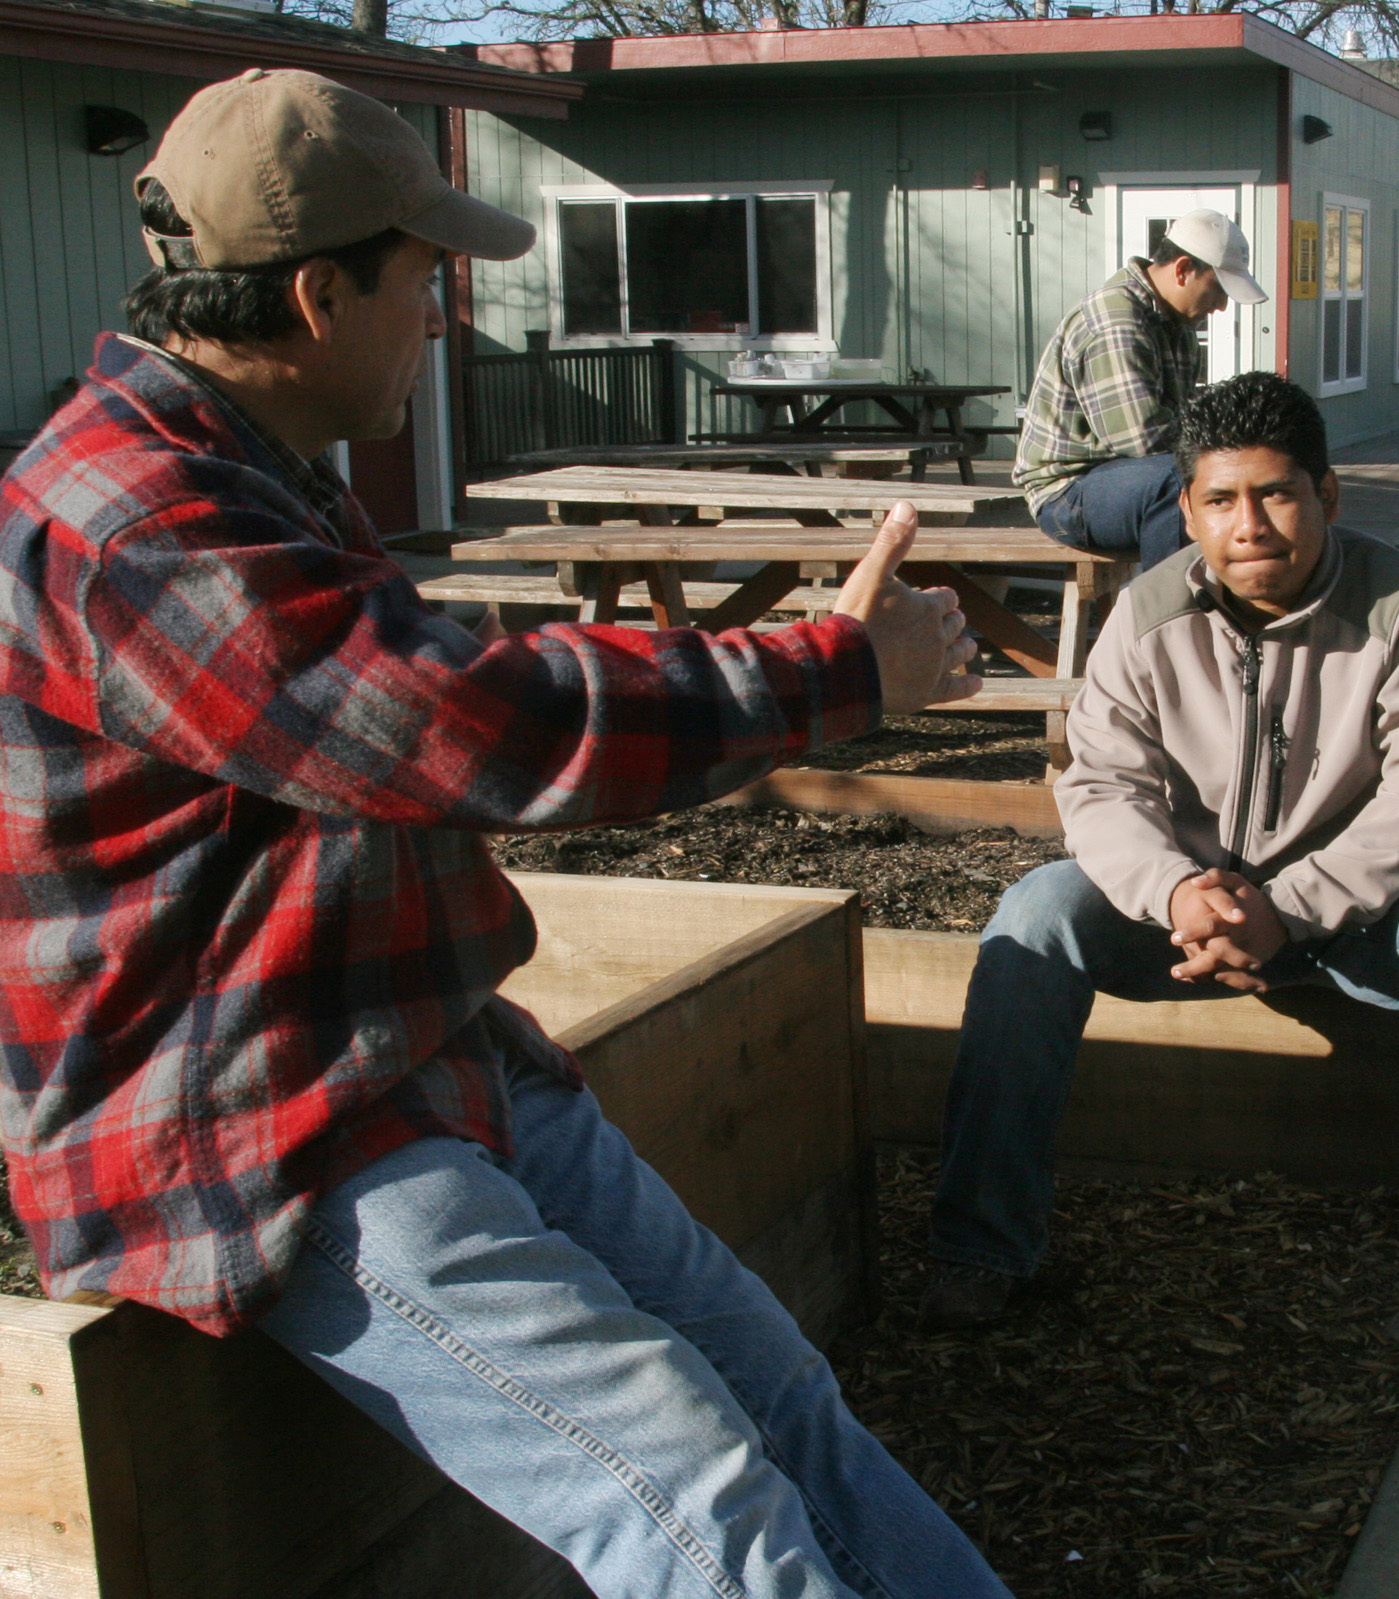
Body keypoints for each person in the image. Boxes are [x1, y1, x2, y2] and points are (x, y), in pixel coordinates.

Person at [0, 68, 1014, 1599]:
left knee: (779, 1399)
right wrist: (834, 672)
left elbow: (424, 698)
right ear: (320, 292)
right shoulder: (136, 521)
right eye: (426, 278)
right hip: (262, 1117)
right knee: (695, 1502)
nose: (446, 319)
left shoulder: (246, 471)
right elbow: (461, 722)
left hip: (420, 1047)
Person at [924, 372, 1399, 1365]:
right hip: (1188, 909)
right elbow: (1099, 788)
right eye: (1219, 500)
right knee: (1035, 911)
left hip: (1361, 917)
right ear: (1187, 511)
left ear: (1326, 496)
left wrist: (1285, 910)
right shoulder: (1147, 614)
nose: (1248, 524)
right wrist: (1176, 890)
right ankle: (978, 1248)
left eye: (1275, 493)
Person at [1013, 208, 1267, 572]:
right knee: (1178, 483)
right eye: (1219, 289)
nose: (1223, 306)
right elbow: (1143, 441)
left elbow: (1184, 427)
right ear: (1183, 270)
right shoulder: (1114, 321)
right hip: (1067, 492)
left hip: (1126, 479)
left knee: (1229, 483)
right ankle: (1167, 615)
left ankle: (1229, 604)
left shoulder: (1177, 324)